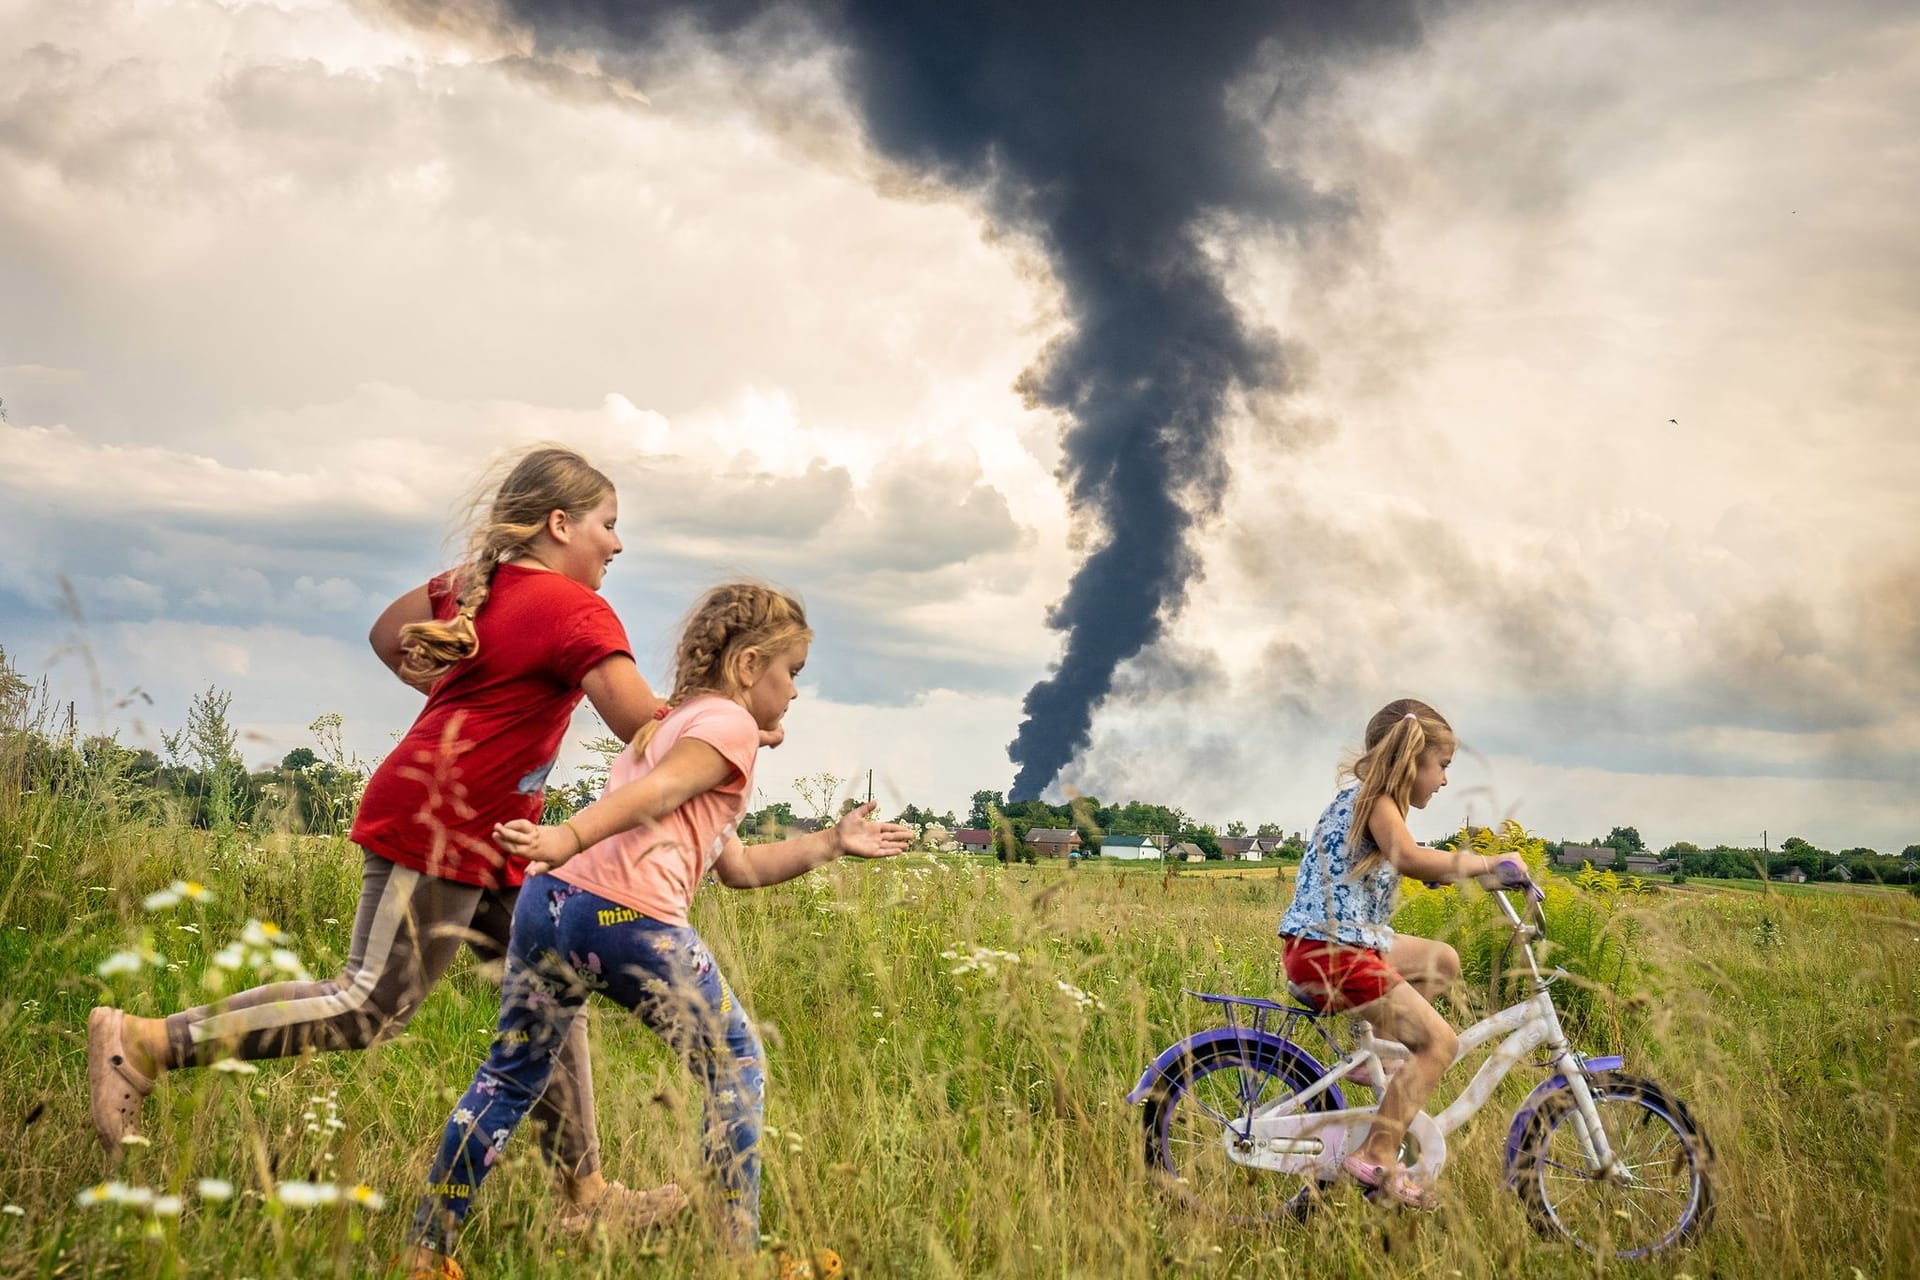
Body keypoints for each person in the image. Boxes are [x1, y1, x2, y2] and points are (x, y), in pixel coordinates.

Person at [87, 445, 687, 1229]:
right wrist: (730, 718)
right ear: (560, 522)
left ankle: (585, 1198)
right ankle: (144, 1043)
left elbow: (386, 633)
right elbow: (640, 725)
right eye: (609, 525)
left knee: (552, 994)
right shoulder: (577, 609)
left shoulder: (481, 584)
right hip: (438, 823)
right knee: (368, 1005)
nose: (616, 544)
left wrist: (458, 694)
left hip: (497, 838)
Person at [398, 582, 908, 1280]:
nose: (793, 694)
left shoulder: (677, 726)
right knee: (737, 1065)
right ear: (750, 664)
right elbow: (660, 794)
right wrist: (567, 832)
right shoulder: (723, 728)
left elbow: (740, 868)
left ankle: (427, 1250)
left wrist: (832, 840)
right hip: (624, 915)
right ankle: (738, 1259)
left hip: (551, 904)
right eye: (792, 674)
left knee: (510, 1075)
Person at [1276, 698, 1528, 1209]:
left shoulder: (1365, 801)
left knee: (1444, 960)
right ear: (1411, 759)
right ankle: (1378, 1154)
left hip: (1335, 945)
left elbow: (1396, 861)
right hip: (1334, 954)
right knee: (1440, 1045)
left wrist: (1444, 873)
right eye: (1443, 766)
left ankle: (1376, 1062)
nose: (1444, 781)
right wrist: (1489, 862)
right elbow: (1409, 857)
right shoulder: (1377, 801)